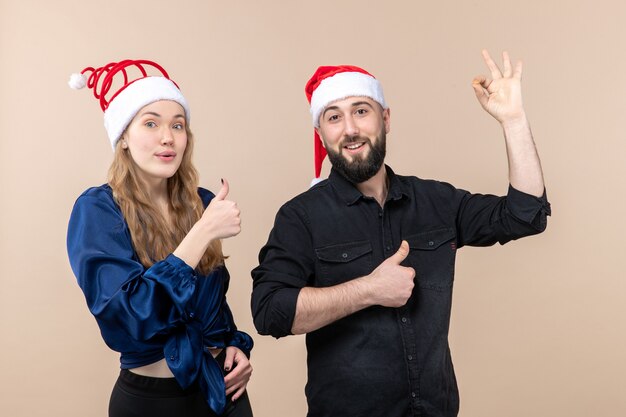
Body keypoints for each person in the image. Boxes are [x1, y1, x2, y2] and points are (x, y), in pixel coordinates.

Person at [251, 51, 550, 417]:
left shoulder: (437, 201)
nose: (349, 129)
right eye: (334, 117)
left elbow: (526, 215)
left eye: (361, 110)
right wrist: (368, 290)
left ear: (386, 118)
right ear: (321, 132)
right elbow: (270, 312)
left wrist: (514, 121)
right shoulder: (300, 217)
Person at [67, 59, 254, 417]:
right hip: (151, 403)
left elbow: (211, 304)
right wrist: (202, 233)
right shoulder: (98, 210)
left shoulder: (200, 203)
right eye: (150, 123)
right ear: (123, 137)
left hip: (222, 394)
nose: (168, 137)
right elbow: (130, 315)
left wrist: (234, 345)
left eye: (177, 125)